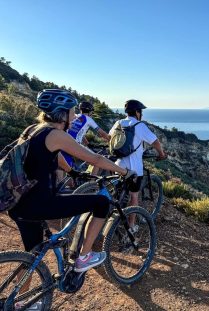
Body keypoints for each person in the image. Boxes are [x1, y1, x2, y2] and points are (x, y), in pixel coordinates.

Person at [9, 89, 129, 274]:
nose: (74, 117)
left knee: (31, 257)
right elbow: (96, 159)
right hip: (40, 204)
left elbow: (54, 156)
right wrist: (124, 171)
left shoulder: (33, 129)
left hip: (18, 203)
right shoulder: (57, 135)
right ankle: (84, 258)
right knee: (102, 203)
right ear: (61, 113)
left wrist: (72, 171)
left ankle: (17, 303)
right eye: (72, 111)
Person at [109, 99, 166, 229]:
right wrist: (161, 154)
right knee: (134, 195)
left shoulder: (118, 122)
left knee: (118, 190)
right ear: (137, 112)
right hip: (134, 168)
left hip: (117, 164)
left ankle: (113, 214)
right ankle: (131, 226)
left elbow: (109, 137)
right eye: (141, 112)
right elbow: (155, 142)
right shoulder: (139, 126)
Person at [61, 101, 110, 173]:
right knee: (98, 162)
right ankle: (92, 183)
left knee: (66, 171)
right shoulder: (88, 119)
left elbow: (79, 132)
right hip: (75, 145)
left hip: (64, 143)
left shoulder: (76, 116)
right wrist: (111, 140)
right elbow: (102, 133)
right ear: (90, 111)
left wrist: (88, 144)